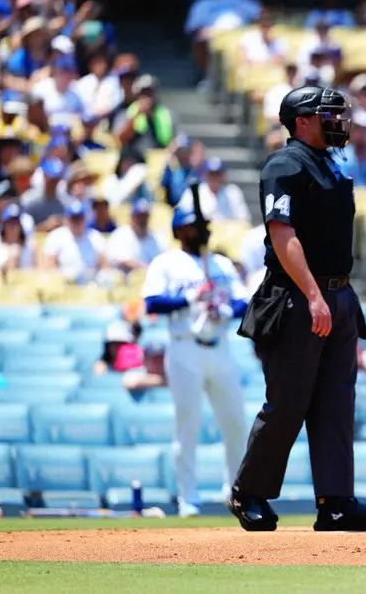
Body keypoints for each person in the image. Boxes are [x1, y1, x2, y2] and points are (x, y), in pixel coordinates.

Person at [231, 86, 366, 533]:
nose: (338, 122)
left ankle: (336, 503)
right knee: (289, 402)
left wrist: (337, 298)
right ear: (301, 121)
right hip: (298, 298)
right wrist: (315, 296)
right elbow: (283, 236)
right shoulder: (285, 164)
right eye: (326, 115)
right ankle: (249, 492)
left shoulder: (331, 165)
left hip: (338, 295)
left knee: (337, 403)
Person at [141, 205, 250, 518]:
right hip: (184, 346)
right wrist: (191, 298)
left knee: (236, 424)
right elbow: (152, 301)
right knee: (187, 425)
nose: (201, 229)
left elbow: (244, 300)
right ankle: (187, 497)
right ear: (178, 231)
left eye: (203, 224)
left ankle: (235, 493)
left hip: (220, 345)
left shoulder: (220, 263)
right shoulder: (167, 262)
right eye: (193, 225)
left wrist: (226, 309)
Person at [114, 74, 178, 154]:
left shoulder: (167, 114)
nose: (147, 97)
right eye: (144, 93)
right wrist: (136, 116)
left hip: (161, 157)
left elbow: (176, 141)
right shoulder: (127, 113)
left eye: (150, 92)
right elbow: (120, 139)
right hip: (136, 157)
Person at [106, 198, 167, 273]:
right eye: (139, 217)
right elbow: (123, 261)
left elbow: (164, 262)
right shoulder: (120, 235)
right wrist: (146, 269)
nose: (142, 220)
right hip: (126, 282)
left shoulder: (158, 238)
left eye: (145, 216)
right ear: (132, 217)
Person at [195, 157, 250, 222]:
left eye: (218, 174)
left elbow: (244, 218)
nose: (215, 177)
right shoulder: (196, 191)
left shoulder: (233, 192)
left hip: (228, 230)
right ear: (205, 174)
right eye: (212, 174)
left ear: (223, 174)